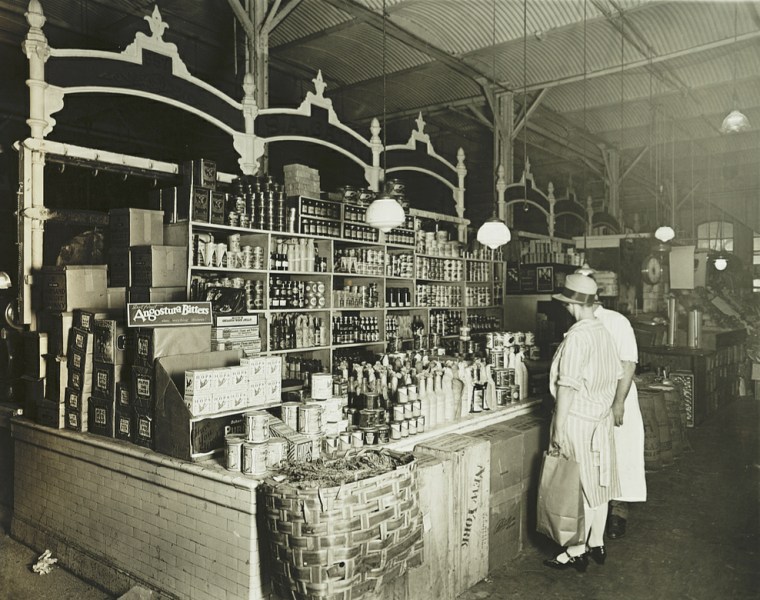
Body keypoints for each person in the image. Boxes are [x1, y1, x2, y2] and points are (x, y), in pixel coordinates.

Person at [543, 274, 621, 572]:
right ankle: (597, 541)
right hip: (599, 420)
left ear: (571, 304)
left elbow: (568, 385)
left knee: (580, 489)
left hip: (578, 419)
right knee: (599, 484)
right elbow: (615, 375)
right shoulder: (602, 331)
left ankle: (575, 550)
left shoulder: (578, 336)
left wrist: (559, 426)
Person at [591, 296, 647, 539]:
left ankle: (618, 512)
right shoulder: (579, 324)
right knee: (596, 455)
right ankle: (596, 512)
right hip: (592, 398)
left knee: (622, 452)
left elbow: (628, 364)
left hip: (617, 395)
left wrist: (618, 402)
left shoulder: (616, 321)